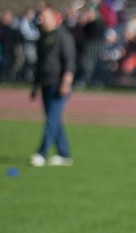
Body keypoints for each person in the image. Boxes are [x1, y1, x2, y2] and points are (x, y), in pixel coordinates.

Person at [29, 6, 76, 168]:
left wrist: (66, 82)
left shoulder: (63, 36)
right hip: (45, 83)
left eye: (44, 16)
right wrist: (35, 86)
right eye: (40, 16)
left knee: (51, 120)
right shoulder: (42, 37)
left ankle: (41, 153)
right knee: (55, 120)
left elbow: (70, 62)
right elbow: (39, 64)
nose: (41, 19)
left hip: (58, 84)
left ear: (54, 17)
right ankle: (64, 154)